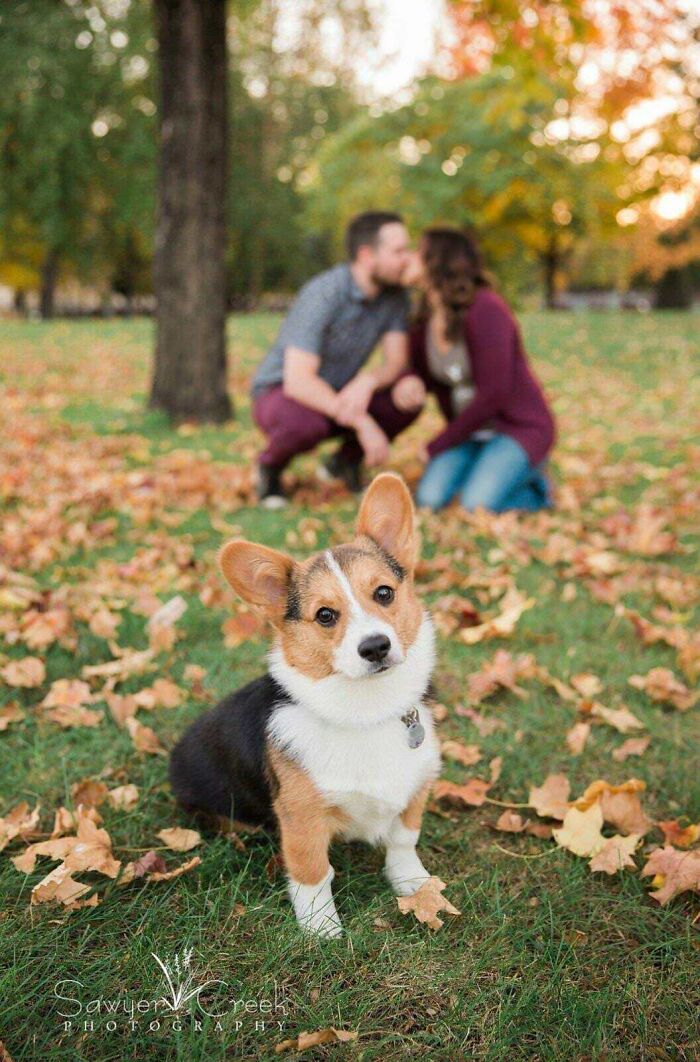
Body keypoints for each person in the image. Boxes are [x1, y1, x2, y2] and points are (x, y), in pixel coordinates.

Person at [250, 211, 426, 507]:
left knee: (406, 397)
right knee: (305, 425)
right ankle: (269, 468)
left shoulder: (395, 298)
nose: (407, 259)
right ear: (367, 255)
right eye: (398, 251)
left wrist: (367, 380)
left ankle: (342, 464)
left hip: (338, 391)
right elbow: (298, 381)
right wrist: (362, 423)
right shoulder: (324, 293)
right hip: (282, 392)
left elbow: (395, 363)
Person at [397, 228, 556, 513]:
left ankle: (537, 488)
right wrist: (409, 380)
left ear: (438, 261)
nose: (408, 257)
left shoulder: (486, 308)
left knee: (475, 505)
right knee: (429, 499)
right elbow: (418, 370)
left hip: (518, 428)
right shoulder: (423, 319)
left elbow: (493, 394)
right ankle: (488, 470)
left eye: (417, 251)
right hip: (468, 434)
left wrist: (436, 445)